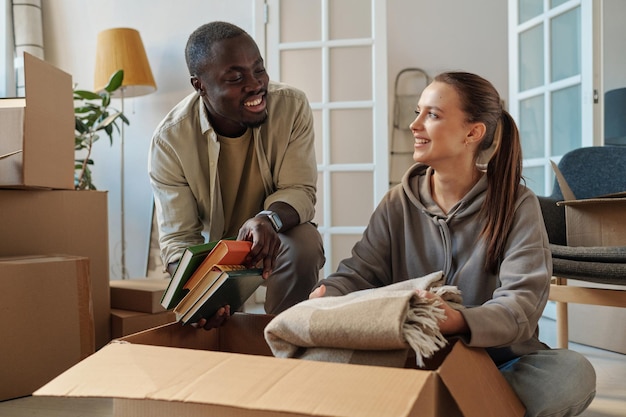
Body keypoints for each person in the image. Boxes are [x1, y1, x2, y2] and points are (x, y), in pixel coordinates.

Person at [309, 72, 596, 417]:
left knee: (571, 373)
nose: (414, 125)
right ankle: (458, 405)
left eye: (432, 114)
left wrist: (459, 321)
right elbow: (359, 273)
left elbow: (521, 306)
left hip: (498, 362)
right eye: (418, 112)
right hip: (415, 358)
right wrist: (330, 291)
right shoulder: (396, 203)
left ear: (473, 133)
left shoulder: (517, 204)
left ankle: (426, 405)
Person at [148, 21, 325, 328]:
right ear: (199, 85)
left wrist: (268, 219)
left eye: (259, 70)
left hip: (276, 230)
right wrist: (194, 295)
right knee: (203, 315)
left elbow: (300, 190)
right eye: (236, 77)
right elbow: (179, 239)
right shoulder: (170, 141)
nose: (256, 84)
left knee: (304, 243)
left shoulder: (292, 107)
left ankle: (283, 341)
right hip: (218, 250)